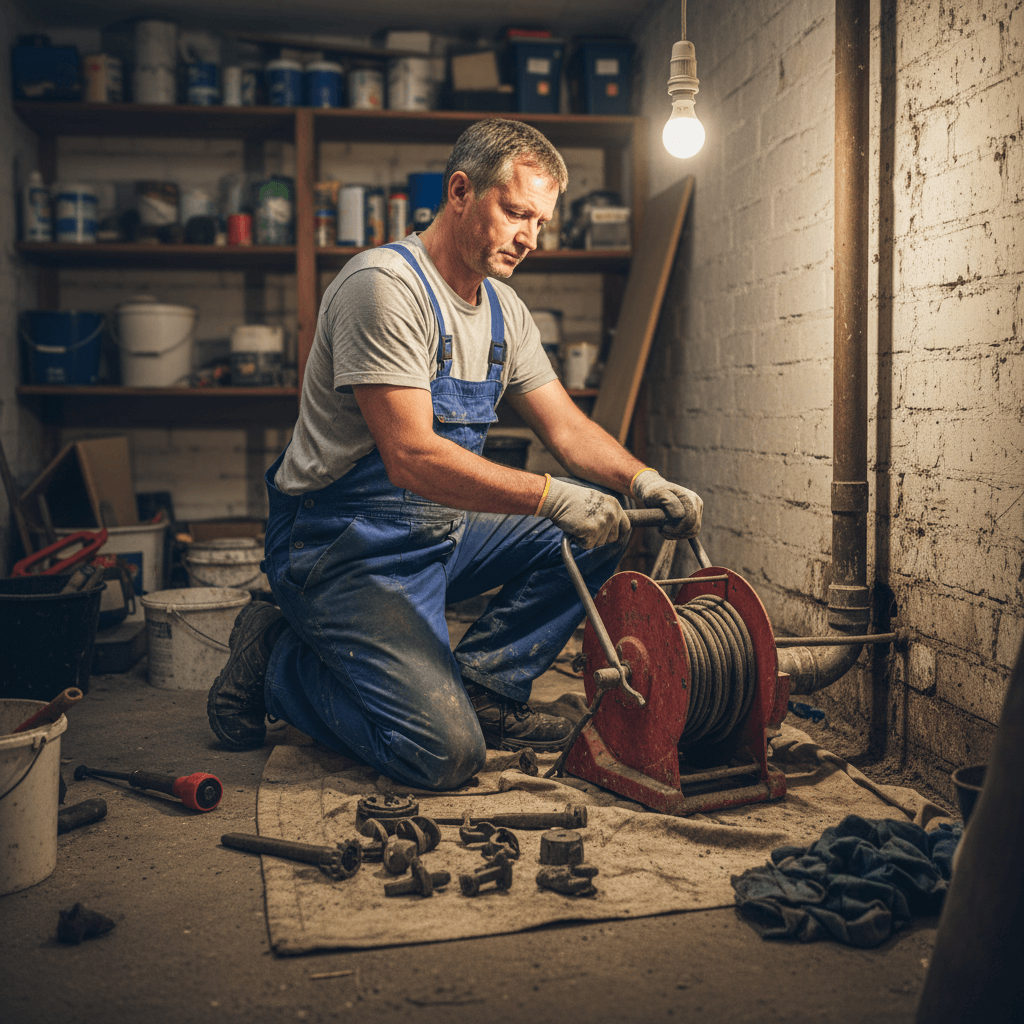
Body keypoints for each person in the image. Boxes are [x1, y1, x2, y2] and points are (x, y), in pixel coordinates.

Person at [207, 119, 703, 790]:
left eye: (541, 221)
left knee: (603, 525)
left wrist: (644, 481)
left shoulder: (504, 311)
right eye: (517, 212)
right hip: (342, 545)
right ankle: (275, 656)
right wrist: (551, 495)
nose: (531, 237)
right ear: (461, 192)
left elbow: (567, 429)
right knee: (442, 754)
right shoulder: (384, 287)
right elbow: (411, 457)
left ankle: (486, 688)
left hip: (437, 528)